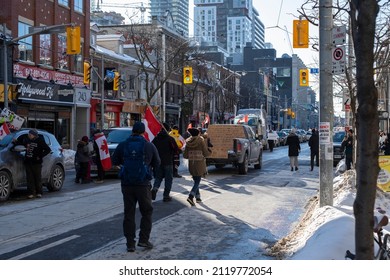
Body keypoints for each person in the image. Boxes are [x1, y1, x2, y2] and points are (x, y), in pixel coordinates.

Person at [112, 121, 160, 252]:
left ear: (132, 131)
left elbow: (114, 161)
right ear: (143, 132)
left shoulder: (123, 145)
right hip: (143, 184)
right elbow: (157, 163)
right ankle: (143, 240)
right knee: (147, 211)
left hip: (127, 184)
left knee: (129, 213)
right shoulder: (148, 146)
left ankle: (130, 243)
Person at [14, 129, 51, 198]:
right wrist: (15, 142)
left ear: (34, 135)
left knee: (37, 178)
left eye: (30, 134)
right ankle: (31, 193)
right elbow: (21, 144)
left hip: (36, 162)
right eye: (29, 134)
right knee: (29, 178)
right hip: (28, 161)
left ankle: (39, 192)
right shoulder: (27, 140)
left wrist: (40, 156)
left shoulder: (40, 141)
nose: (29, 135)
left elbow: (48, 149)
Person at [151, 123, 180, 202]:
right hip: (168, 162)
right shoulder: (170, 139)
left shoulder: (155, 139)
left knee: (158, 178)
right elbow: (176, 150)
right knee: (168, 179)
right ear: (168, 130)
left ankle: (155, 189)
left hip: (158, 162)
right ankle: (166, 195)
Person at [183, 128, 211, 206]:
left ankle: (198, 198)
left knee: (196, 180)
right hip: (199, 163)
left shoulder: (188, 142)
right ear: (198, 133)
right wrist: (210, 151)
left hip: (191, 163)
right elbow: (205, 153)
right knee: (198, 181)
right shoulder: (200, 141)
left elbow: (185, 155)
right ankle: (191, 196)